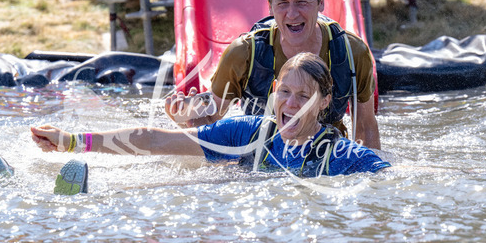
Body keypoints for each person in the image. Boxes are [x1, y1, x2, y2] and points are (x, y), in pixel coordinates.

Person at [30, 53, 389, 194]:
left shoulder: (342, 155)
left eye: (304, 96)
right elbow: (153, 139)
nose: (291, 104)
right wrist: (72, 140)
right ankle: (88, 191)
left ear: (324, 102)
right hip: (241, 190)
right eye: (285, 92)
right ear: (274, 91)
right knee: (179, 182)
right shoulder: (249, 131)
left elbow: (395, 179)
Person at [165, 0, 381, 149]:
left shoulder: (351, 53)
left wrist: (373, 174)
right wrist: (185, 118)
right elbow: (211, 123)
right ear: (270, 6)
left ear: (321, 3)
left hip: (326, 154)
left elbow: (365, 126)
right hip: (261, 157)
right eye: (283, 3)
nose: (292, 14)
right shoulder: (244, 54)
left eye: (302, 2)